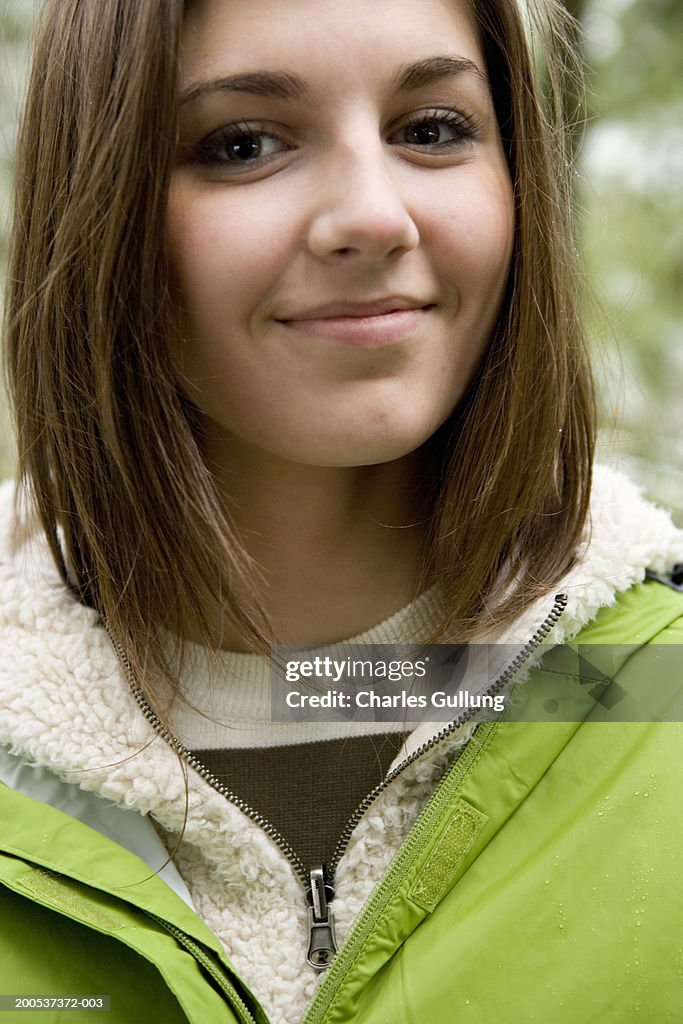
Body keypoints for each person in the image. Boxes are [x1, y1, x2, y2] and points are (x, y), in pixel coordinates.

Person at [1, 0, 682, 1021]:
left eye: (431, 129)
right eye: (242, 143)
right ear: (97, 207)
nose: (372, 214)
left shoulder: (653, 697)